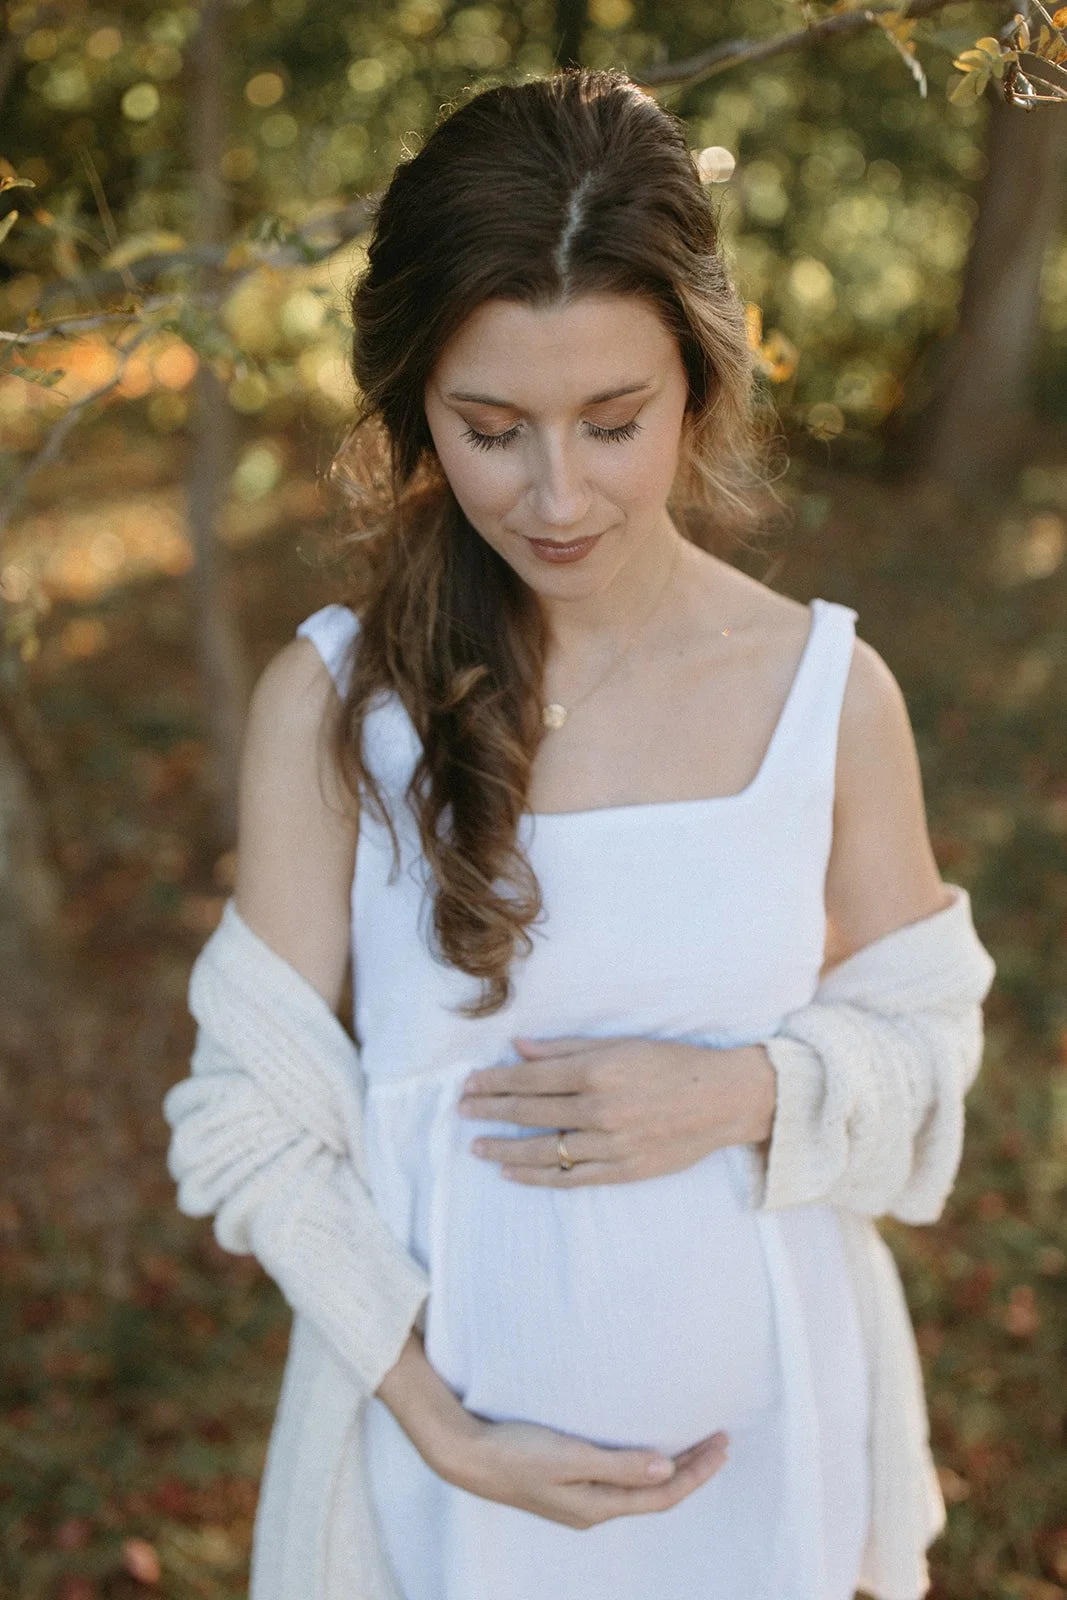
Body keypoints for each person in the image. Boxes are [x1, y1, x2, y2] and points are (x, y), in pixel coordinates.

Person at [177, 67, 996, 1600]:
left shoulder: (826, 693)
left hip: (770, 1476)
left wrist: (747, 1092)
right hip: (446, 1506)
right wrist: (436, 1426)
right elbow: (249, 1123)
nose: (556, 497)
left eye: (612, 423)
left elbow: (926, 1052)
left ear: (698, 384)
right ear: (416, 408)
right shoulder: (334, 708)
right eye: (491, 430)